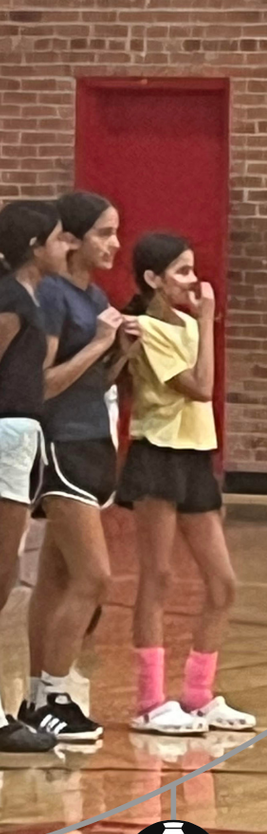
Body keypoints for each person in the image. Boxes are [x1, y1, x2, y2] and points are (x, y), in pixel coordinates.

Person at [117, 234, 255, 735]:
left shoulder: (184, 324)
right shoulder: (149, 328)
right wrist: (206, 323)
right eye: (179, 271)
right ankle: (151, 701)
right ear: (152, 279)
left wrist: (200, 325)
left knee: (222, 583)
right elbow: (199, 388)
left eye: (192, 269)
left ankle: (199, 696)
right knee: (159, 578)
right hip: (158, 453)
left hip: (196, 455)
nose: (191, 280)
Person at [22, 192, 135, 741]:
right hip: (60, 443)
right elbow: (41, 384)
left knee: (56, 577)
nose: (115, 244)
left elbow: (94, 380)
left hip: (93, 437)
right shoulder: (51, 295)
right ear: (72, 238)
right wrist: (98, 345)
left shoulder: (97, 295)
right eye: (104, 234)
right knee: (95, 576)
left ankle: (35, 698)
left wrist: (118, 354)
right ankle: (54, 694)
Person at [0, 201, 70, 752]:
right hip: (3, 436)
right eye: (58, 238)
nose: (65, 246)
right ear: (34, 245)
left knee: (2, 581)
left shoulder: (28, 297)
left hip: (22, 436)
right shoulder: (8, 300)